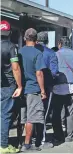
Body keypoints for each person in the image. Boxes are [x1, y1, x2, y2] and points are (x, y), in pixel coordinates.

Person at [19, 28, 47, 152]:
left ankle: (20, 141)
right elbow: (39, 73)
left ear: (25, 38)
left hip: (21, 89)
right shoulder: (37, 53)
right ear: (36, 40)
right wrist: (43, 90)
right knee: (32, 117)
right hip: (33, 88)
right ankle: (27, 144)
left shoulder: (19, 52)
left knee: (23, 117)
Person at [52, 36, 73, 143]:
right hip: (71, 86)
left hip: (57, 86)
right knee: (70, 112)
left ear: (60, 44)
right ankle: (70, 136)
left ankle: (58, 136)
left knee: (56, 112)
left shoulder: (55, 54)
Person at [0, 20, 22, 153]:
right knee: (5, 115)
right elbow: (15, 68)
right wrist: (19, 86)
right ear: (9, 33)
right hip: (7, 85)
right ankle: (3, 146)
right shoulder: (11, 47)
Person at [36, 31, 59, 148]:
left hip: (31, 85)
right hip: (47, 86)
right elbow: (54, 72)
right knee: (44, 112)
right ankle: (42, 139)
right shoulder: (51, 53)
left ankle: (30, 138)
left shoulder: (31, 51)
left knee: (32, 112)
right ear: (47, 41)